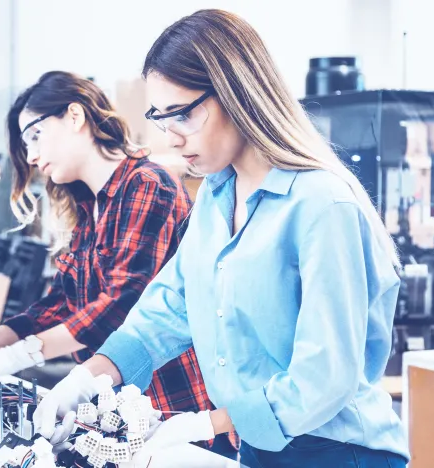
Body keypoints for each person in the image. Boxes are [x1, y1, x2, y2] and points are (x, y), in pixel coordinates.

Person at [33, 10, 409, 468]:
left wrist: (206, 423)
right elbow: (172, 305)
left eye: (184, 115)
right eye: (161, 117)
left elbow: (325, 375)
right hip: (257, 446)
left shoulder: (322, 205)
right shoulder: (216, 195)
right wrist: (89, 376)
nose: (170, 138)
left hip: (339, 452)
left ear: (235, 93)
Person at [0, 71, 236, 455]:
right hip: (119, 415)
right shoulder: (91, 210)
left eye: (35, 135)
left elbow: (121, 303)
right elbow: (60, 304)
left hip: (172, 408)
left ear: (74, 116)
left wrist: (22, 355)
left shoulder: (146, 186)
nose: (32, 156)